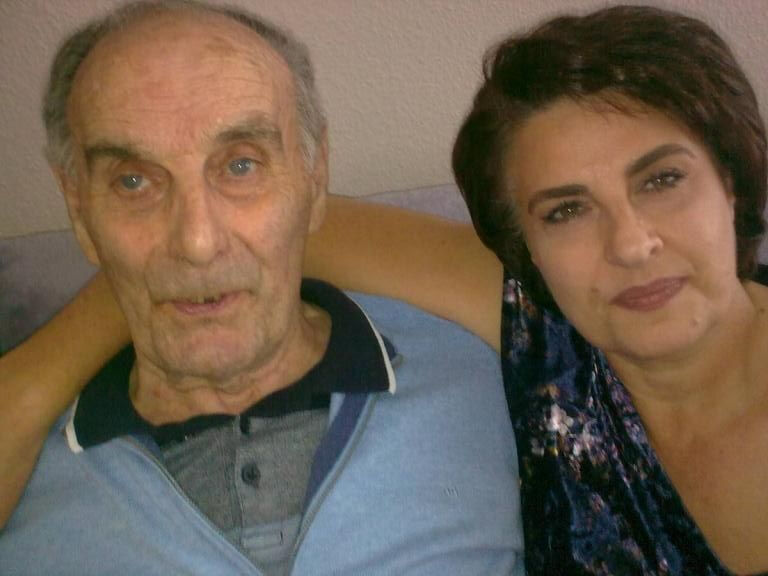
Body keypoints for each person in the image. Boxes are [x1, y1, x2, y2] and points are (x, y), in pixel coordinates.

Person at [2, 3, 767, 575]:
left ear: (732, 179)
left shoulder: (487, 363)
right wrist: (28, 389)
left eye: (663, 179)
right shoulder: (539, 333)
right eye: (565, 210)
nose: (632, 244)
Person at [0, 2, 525, 575]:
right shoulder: (21, 469)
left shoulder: (495, 375)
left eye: (241, 167)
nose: (197, 242)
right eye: (133, 181)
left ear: (315, 177)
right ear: (79, 210)